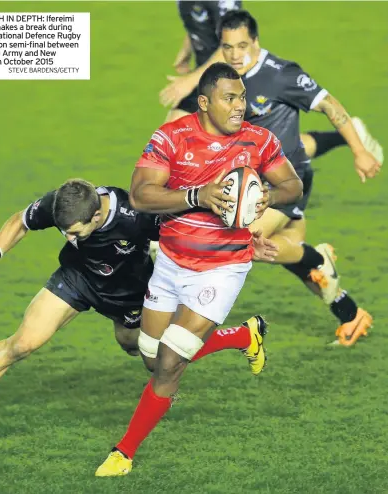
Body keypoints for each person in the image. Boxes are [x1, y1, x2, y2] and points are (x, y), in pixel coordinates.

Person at [95, 62, 303, 477]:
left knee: (171, 363)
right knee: (151, 357)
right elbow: (140, 195)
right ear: (204, 102)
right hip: (171, 263)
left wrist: (266, 197)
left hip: (222, 269)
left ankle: (124, 452)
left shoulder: (259, 140)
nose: (240, 106)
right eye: (230, 98)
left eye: (242, 96)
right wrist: (199, 195)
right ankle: (244, 335)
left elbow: (293, 185)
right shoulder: (172, 137)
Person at [158, 10, 382, 345]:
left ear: (256, 41)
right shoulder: (225, 79)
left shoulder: (281, 75)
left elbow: (330, 105)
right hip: (251, 177)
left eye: (242, 46)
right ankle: (350, 314)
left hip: (285, 182)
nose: (235, 54)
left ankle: (315, 259)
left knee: (237, 241)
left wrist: (359, 151)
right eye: (227, 47)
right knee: (286, 254)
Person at [0, 179, 161, 408]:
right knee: (22, 344)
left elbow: (183, 238)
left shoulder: (136, 214)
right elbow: (20, 221)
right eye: (64, 231)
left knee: (138, 350)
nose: (68, 238)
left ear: (96, 216)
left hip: (128, 292)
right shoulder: (61, 204)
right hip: (78, 277)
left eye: (75, 232)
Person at [163, 2, 383, 164]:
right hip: (213, 79)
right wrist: (186, 52)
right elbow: (199, 24)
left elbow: (232, 38)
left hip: (217, 77)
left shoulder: (225, 6)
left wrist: (191, 80)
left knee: (267, 152)